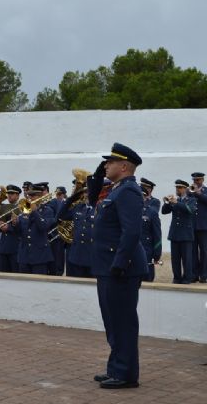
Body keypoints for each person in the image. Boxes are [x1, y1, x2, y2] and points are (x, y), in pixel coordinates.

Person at [89, 142, 148, 389]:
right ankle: (116, 367)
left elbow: (132, 231)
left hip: (120, 268)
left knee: (123, 321)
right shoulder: (115, 189)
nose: (106, 165)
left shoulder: (129, 191)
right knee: (112, 321)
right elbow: (92, 200)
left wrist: (120, 263)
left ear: (124, 166)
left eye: (110, 162)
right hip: (108, 266)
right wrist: (96, 176)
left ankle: (126, 374)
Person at [11, 184, 55, 275]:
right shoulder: (24, 210)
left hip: (40, 255)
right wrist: (15, 224)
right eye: (29, 195)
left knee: (39, 285)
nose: (30, 198)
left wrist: (35, 212)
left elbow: (43, 226)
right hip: (24, 255)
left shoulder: (48, 211)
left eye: (33, 195)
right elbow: (19, 233)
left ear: (40, 196)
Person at [161, 180, 196, 284]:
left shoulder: (191, 199)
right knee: (175, 259)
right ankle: (177, 277)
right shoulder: (175, 200)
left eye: (180, 188)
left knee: (187, 258)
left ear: (185, 189)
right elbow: (164, 212)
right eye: (177, 188)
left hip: (186, 234)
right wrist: (167, 202)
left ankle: (187, 277)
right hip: (175, 233)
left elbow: (190, 210)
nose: (177, 190)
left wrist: (177, 203)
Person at [187, 172, 207, 283]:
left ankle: (204, 275)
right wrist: (191, 192)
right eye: (194, 180)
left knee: (204, 251)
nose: (196, 182)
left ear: (202, 180)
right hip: (192, 225)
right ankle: (194, 275)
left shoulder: (206, 190)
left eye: (198, 180)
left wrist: (199, 193)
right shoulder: (189, 191)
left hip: (204, 226)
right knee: (192, 251)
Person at [0, 184, 22, 273]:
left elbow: (23, 227)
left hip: (15, 247)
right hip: (3, 246)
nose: (9, 195)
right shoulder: (3, 207)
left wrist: (9, 227)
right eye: (8, 193)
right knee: (3, 276)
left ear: (18, 195)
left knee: (15, 275)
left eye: (12, 193)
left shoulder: (22, 207)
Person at [140, 184, 162, 282]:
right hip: (130, 252)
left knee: (147, 279)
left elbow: (157, 234)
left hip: (146, 251)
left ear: (144, 197)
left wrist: (157, 253)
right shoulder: (127, 212)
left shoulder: (152, 212)